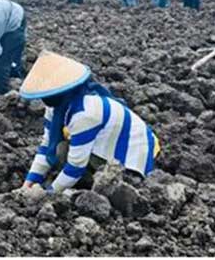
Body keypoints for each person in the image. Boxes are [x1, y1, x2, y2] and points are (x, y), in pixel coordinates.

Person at [21, 51, 159, 192]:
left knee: (64, 153)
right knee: (60, 150)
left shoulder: (85, 113)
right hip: (106, 144)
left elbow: (76, 166)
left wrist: (50, 193)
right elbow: (46, 145)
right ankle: (84, 181)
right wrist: (29, 182)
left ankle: (93, 184)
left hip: (132, 153)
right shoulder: (56, 108)